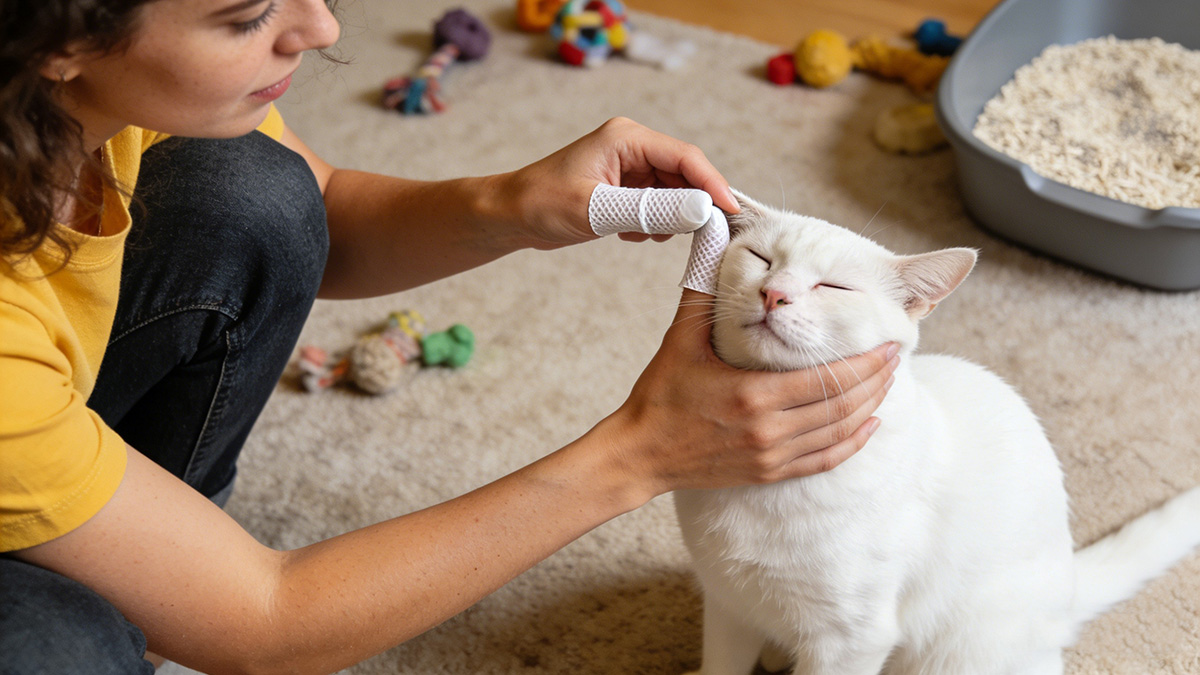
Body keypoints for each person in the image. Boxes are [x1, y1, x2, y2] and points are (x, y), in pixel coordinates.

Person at [0, 1, 899, 673]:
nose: (316, 27)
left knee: (254, 190)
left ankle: (147, 573)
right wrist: (643, 452)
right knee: (58, 644)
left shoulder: (78, 96)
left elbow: (321, 219)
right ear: (59, 41)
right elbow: (266, 618)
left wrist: (515, 204)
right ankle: (131, 606)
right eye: (246, 17)